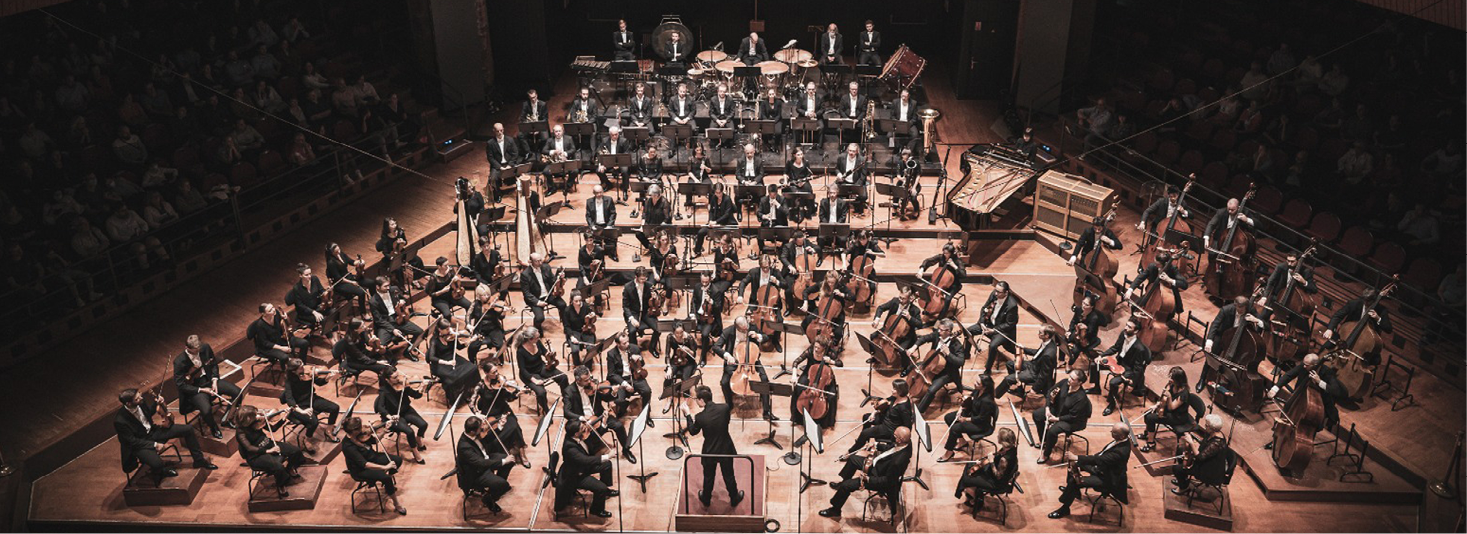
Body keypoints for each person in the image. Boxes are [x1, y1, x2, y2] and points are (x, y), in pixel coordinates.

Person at [115, 387, 217, 480]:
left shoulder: (141, 402)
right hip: (140, 444)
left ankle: (199, 460)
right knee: (157, 464)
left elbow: (148, 415)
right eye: (137, 399)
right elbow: (132, 441)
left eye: (140, 396)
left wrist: (157, 403)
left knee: (188, 429)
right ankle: (162, 471)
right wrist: (155, 445)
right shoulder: (120, 420)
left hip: (153, 432)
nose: (141, 398)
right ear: (128, 404)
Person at [820, 426, 913, 518]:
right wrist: (876, 445)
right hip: (879, 465)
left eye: (895, 435)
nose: (892, 435)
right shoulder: (906, 442)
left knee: (847, 486)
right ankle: (843, 482)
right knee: (852, 459)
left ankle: (835, 509)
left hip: (878, 478)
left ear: (899, 440)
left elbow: (888, 481)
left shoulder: (898, 462)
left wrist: (868, 479)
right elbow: (891, 448)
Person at [1048, 423, 1132, 519]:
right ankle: (1074, 492)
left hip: (1107, 478)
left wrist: (1077, 457)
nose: (1111, 433)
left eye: (1113, 432)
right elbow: (1101, 455)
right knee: (1073, 463)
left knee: (1074, 481)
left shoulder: (1121, 452)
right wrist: (1077, 459)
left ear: (1121, 436)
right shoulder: (1121, 440)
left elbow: (1099, 460)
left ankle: (1065, 509)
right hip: (1102, 468)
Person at [682, 385, 744, 507]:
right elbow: (726, 421)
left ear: (702, 400)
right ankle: (734, 498)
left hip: (709, 450)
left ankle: (706, 498)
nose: (696, 402)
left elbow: (693, 431)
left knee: (708, 476)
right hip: (725, 448)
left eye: (696, 400)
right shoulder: (725, 408)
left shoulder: (700, 417)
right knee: (729, 475)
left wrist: (688, 415)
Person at [173, 335, 242, 439]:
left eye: (199, 349)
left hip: (209, 380)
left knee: (238, 392)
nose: (198, 351)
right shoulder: (179, 362)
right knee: (206, 410)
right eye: (195, 350)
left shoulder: (205, 348)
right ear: (187, 348)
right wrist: (202, 390)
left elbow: (213, 364)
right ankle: (213, 427)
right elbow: (181, 385)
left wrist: (214, 380)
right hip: (196, 389)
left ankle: (227, 418)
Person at [341, 417, 407, 515]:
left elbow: (375, 441)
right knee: (386, 478)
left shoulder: (361, 434)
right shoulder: (348, 446)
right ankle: (396, 504)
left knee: (397, 460)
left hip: (373, 457)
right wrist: (385, 467)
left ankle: (386, 485)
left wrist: (384, 430)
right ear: (353, 431)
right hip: (360, 469)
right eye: (359, 428)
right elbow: (365, 464)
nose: (362, 429)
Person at [555, 418, 619, 518]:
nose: (586, 428)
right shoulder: (570, 448)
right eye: (583, 428)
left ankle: (605, 491)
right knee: (600, 487)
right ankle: (596, 510)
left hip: (582, 466)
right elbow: (586, 460)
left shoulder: (576, 436)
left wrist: (604, 423)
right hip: (576, 475)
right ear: (576, 433)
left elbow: (594, 437)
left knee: (606, 465)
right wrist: (607, 456)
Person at [717, 316, 777, 420]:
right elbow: (716, 347)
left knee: (764, 380)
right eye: (744, 329)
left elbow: (767, 337)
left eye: (747, 327)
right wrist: (727, 355)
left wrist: (758, 336)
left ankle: (766, 411)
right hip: (735, 362)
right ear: (737, 327)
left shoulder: (752, 327)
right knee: (724, 382)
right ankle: (729, 405)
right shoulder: (728, 331)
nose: (746, 330)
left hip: (752, 361)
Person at [234, 405, 301, 497]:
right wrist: (269, 451)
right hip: (256, 456)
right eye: (255, 414)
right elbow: (249, 448)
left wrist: (284, 418)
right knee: (278, 467)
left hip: (269, 444)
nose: (258, 415)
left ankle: (289, 468)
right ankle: (281, 484)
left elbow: (273, 429)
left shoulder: (257, 421)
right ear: (248, 418)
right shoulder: (240, 432)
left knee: (295, 451)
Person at [457, 415, 516, 513]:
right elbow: (482, 463)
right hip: (477, 473)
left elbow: (487, 440)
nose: (483, 428)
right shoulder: (464, 447)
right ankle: (489, 498)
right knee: (504, 485)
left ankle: (494, 488)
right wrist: (503, 461)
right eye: (480, 428)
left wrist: (500, 426)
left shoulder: (473, 434)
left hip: (485, 459)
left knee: (511, 461)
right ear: (472, 431)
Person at [280, 358, 341, 452]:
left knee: (334, 408)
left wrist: (328, 377)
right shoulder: (289, 381)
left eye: (303, 365)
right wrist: (302, 411)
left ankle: (328, 431)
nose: (304, 368)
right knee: (314, 421)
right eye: (301, 368)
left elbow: (319, 383)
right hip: (300, 406)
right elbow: (289, 399)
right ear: (294, 371)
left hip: (312, 399)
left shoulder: (308, 374)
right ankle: (307, 438)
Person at [1269, 353, 1345, 428]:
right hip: (1298, 396)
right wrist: (1275, 389)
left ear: (1315, 365)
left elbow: (1336, 390)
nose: (1304, 366)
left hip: (1319, 404)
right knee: (1290, 408)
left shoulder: (1327, 372)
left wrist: (1319, 382)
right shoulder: (1304, 366)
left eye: (1307, 365)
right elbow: (1289, 375)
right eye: (1304, 364)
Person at [909, 318, 969, 412]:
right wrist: (913, 347)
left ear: (948, 331)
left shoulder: (956, 345)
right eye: (939, 329)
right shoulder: (937, 335)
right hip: (930, 365)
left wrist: (948, 354)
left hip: (946, 372)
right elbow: (924, 338)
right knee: (913, 368)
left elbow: (961, 362)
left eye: (941, 330)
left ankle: (919, 412)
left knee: (931, 390)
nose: (938, 331)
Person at [1033, 369, 1092, 463]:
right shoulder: (1065, 382)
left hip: (1073, 421)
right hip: (1059, 411)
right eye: (1070, 376)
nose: (1069, 379)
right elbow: (1050, 392)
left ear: (1079, 382)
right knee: (1037, 415)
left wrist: (1056, 419)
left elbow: (1073, 416)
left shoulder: (1081, 398)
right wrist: (1047, 408)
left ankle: (1046, 454)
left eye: (1072, 379)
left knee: (1053, 431)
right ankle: (1044, 441)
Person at [1322, 288, 1393, 366]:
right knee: (1325, 348)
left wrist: (1378, 318)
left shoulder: (1381, 310)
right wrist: (1330, 329)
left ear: (1374, 301)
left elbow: (1388, 329)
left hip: (1365, 344)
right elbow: (1338, 316)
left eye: (1368, 301)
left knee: (1375, 361)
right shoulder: (1354, 303)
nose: (1365, 303)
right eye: (1364, 300)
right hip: (1345, 337)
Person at [955, 427, 1018, 513]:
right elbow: (999, 456)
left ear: (1002, 440)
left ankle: (978, 500)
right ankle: (974, 494)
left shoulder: (1005, 460)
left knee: (966, 480)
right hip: (995, 472)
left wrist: (991, 461)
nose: (997, 436)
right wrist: (983, 460)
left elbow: (998, 476)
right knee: (970, 465)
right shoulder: (1011, 448)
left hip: (996, 483)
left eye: (998, 436)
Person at [374, 367, 429, 463]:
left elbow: (416, 395)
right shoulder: (384, 391)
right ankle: (415, 452)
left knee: (423, 424)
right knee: (409, 431)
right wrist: (389, 417)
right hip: (393, 416)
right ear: (387, 379)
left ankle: (419, 438)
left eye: (398, 375)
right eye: (395, 377)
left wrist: (422, 388)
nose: (398, 379)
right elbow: (380, 407)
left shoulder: (403, 385)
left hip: (406, 410)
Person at [1097, 320, 1151, 415]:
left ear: (1136, 331)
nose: (1126, 328)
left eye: (1129, 327)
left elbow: (1138, 368)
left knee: (1113, 383)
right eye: (1126, 325)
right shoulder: (1123, 334)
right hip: (1118, 362)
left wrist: (1132, 384)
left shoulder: (1139, 348)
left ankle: (1111, 405)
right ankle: (1096, 387)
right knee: (1095, 364)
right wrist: (1102, 356)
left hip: (1128, 369)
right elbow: (1115, 347)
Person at [846, 379, 915, 454]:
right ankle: (864, 440)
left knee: (865, 433)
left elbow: (908, 427)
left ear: (901, 391)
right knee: (866, 417)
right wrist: (874, 413)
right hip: (885, 418)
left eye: (894, 389)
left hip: (889, 428)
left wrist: (897, 435)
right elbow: (883, 402)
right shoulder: (895, 397)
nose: (892, 390)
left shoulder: (904, 408)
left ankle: (850, 452)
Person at [1170, 414, 1231, 495]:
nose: (1205, 426)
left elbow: (1200, 458)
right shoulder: (1212, 434)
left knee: (1176, 469)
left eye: (1207, 425)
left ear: (1212, 428)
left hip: (1209, 471)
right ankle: (1183, 479)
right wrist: (1194, 445)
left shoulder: (1217, 443)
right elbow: (1204, 445)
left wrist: (1191, 443)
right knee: (1180, 450)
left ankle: (1184, 487)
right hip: (1207, 461)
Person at [940, 376, 997, 461]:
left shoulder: (987, 401)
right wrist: (961, 409)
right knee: (949, 418)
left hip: (981, 424)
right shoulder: (977, 390)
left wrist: (965, 419)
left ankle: (949, 452)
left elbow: (982, 418)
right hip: (973, 414)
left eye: (978, 383)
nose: (975, 383)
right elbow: (969, 400)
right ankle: (962, 442)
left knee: (955, 428)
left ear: (984, 386)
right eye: (976, 381)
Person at [995, 325, 1059, 400]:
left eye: (1040, 333)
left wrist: (1034, 389)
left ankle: (995, 395)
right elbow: (1038, 352)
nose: (1038, 334)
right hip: (1034, 365)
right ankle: (1019, 390)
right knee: (1010, 364)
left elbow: (1043, 375)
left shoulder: (1048, 354)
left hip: (1034, 373)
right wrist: (1023, 349)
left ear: (1047, 335)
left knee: (1008, 379)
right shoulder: (1048, 342)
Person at [1140, 367, 1197, 452]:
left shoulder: (1184, 394)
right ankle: (1148, 434)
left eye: (1172, 378)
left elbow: (1171, 407)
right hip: (1171, 412)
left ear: (1178, 380)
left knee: (1150, 418)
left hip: (1178, 417)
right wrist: (1156, 405)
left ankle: (1151, 443)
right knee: (1148, 413)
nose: (1170, 379)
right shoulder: (1173, 386)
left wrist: (1169, 396)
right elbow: (1164, 400)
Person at [969, 281, 1019, 374]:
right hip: (988, 323)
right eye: (995, 290)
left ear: (1006, 293)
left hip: (1002, 330)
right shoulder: (994, 294)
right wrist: (982, 322)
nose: (996, 293)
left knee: (993, 346)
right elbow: (984, 308)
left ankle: (988, 369)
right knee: (968, 331)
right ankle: (966, 354)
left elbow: (1010, 324)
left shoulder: (1012, 305)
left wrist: (994, 330)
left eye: (999, 292)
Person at [516, 327, 568, 414]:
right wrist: (534, 380)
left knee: (563, 377)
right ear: (530, 339)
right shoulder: (520, 351)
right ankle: (546, 410)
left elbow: (544, 352)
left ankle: (566, 399)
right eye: (537, 337)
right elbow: (522, 369)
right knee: (541, 393)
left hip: (541, 367)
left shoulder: (537, 342)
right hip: (529, 374)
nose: (539, 338)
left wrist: (550, 353)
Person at [1125, 252, 1189, 315]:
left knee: (1160, 316)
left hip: (1168, 300)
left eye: (1157, 264)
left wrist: (1170, 280)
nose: (1155, 265)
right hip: (1152, 293)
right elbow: (1140, 278)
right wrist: (1130, 290)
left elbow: (1184, 285)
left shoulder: (1172, 269)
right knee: (1134, 307)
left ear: (1166, 264)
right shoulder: (1152, 266)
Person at [520, 252, 567, 331]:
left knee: (563, 305)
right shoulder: (525, 274)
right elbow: (526, 293)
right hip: (535, 298)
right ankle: (537, 332)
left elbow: (552, 281)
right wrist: (538, 302)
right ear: (531, 262)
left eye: (540, 260)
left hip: (548, 295)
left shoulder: (546, 267)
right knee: (539, 318)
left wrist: (559, 277)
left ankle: (565, 325)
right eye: (537, 261)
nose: (540, 262)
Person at [918, 243, 966, 319]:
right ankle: (928, 308)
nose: (944, 255)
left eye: (946, 253)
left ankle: (940, 318)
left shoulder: (958, 261)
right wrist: (922, 269)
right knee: (924, 288)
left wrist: (955, 266)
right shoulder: (941, 257)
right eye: (944, 252)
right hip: (938, 281)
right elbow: (928, 261)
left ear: (952, 253)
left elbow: (963, 275)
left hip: (953, 284)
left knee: (947, 299)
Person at [623, 266, 658, 348]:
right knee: (632, 331)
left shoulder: (649, 285)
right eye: (642, 279)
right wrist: (632, 319)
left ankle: (652, 348)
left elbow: (657, 302)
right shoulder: (628, 287)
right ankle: (634, 350)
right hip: (633, 313)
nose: (644, 280)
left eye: (645, 278)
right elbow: (625, 306)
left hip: (646, 312)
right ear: (636, 277)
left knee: (658, 329)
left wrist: (655, 297)